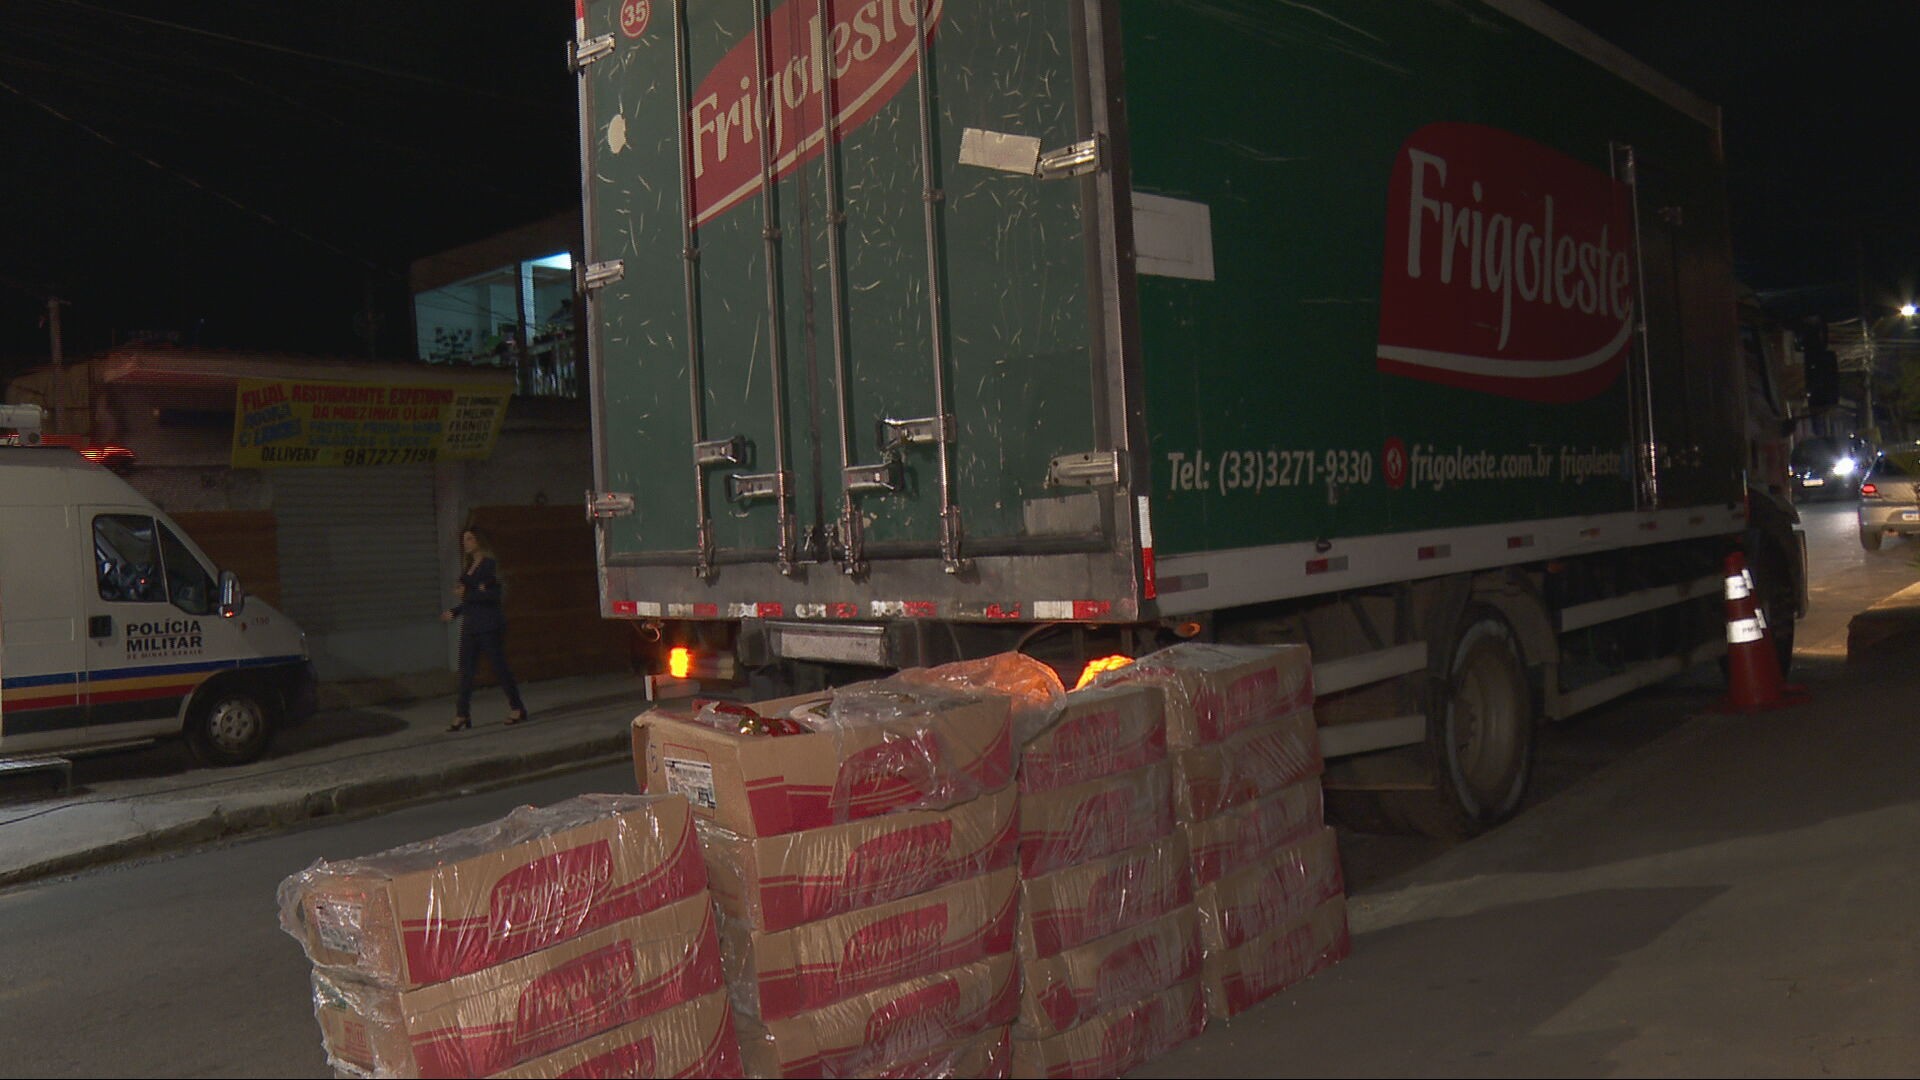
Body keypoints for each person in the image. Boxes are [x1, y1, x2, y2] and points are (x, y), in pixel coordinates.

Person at [442, 526, 527, 731]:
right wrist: (456, 611)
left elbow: (491, 596)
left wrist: (469, 594)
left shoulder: (489, 565)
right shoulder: (469, 568)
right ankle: (462, 714)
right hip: (471, 625)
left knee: (499, 667)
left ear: (479, 541)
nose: (466, 543)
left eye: (470, 539)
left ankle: (517, 707)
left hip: (488, 624)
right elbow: (473, 597)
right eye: (464, 539)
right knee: (467, 671)